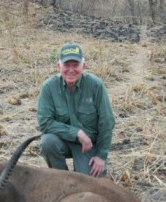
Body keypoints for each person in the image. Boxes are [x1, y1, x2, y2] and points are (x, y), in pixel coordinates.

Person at [37, 42, 115, 177]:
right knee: (47, 142)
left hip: (89, 146)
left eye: (76, 65)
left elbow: (107, 122)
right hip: (62, 141)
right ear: (58, 66)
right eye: (67, 65)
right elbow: (45, 122)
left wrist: (101, 156)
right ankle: (62, 178)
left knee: (90, 187)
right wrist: (77, 133)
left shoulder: (96, 85)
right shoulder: (49, 87)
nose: (71, 70)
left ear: (83, 66)